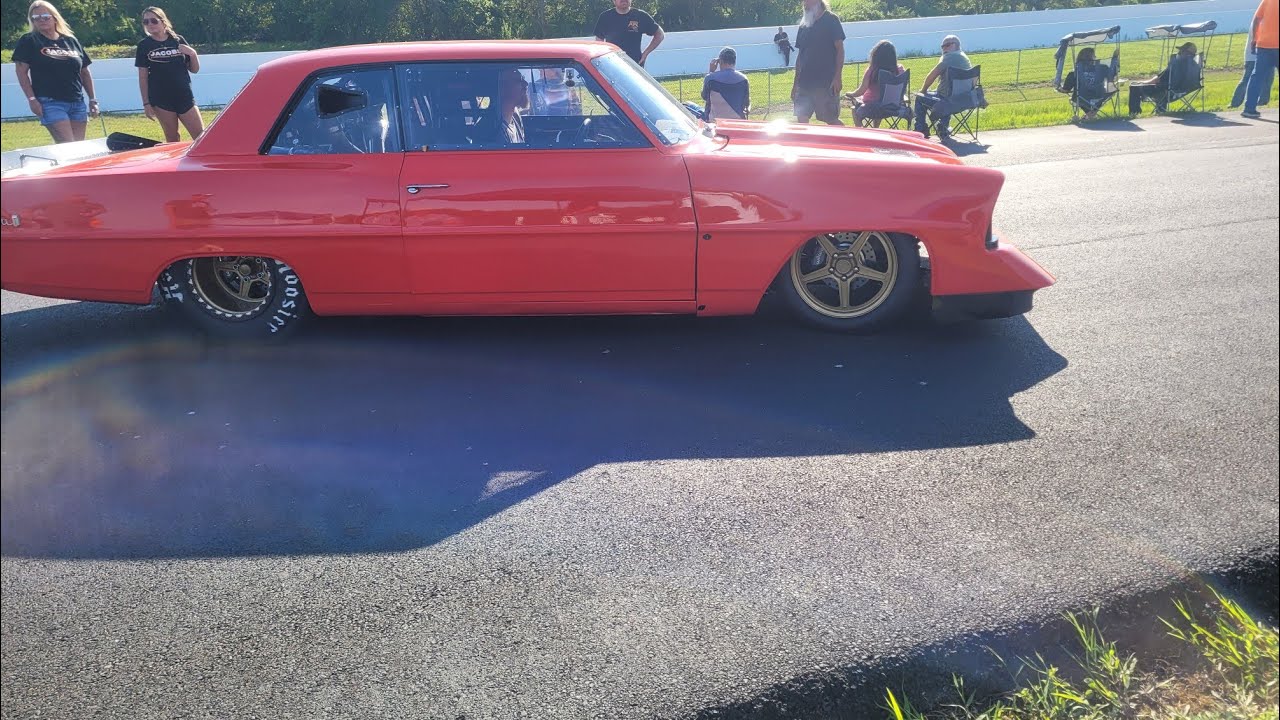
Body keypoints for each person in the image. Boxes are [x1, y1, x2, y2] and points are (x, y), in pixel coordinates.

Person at [12, 1, 98, 144]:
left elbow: (85, 72)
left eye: (45, 16)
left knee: (79, 148)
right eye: (36, 18)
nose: (41, 20)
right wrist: (32, 99)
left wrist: (92, 99)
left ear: (55, 17)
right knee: (67, 145)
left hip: (77, 101)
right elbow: (21, 72)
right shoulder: (29, 40)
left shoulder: (71, 41)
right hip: (50, 102)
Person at [135, 6, 203, 142]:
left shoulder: (177, 40)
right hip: (161, 99)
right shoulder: (144, 45)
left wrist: (193, 54)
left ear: (163, 21)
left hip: (184, 96)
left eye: (154, 20)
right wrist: (146, 104)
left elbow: (194, 69)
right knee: (172, 138)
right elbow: (143, 77)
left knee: (201, 137)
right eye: (146, 22)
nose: (150, 24)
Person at [792, 0, 845, 126]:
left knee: (831, 120)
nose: (804, 4)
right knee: (802, 119)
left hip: (825, 83)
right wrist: (795, 84)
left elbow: (840, 49)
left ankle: (848, 138)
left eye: (807, 1)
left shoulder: (831, 20)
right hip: (804, 83)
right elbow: (800, 56)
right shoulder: (803, 25)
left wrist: (837, 77)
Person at [914, 34, 971, 139]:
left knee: (920, 97)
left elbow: (932, 76)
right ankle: (943, 127)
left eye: (947, 45)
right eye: (942, 46)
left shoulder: (949, 57)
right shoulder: (965, 57)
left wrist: (923, 90)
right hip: (965, 100)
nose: (944, 48)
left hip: (948, 100)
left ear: (956, 45)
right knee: (945, 95)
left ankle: (920, 129)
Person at [1128, 41, 1196, 116]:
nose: (1179, 53)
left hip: (1167, 89)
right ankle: (1160, 110)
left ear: (1188, 53)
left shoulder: (1177, 64)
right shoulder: (1192, 66)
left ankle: (1134, 113)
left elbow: (1159, 78)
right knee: (1139, 85)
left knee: (1134, 86)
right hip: (1177, 89)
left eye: (1181, 51)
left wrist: (1144, 83)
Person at [848, 39, 905, 127]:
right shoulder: (900, 70)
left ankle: (863, 132)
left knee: (854, 109)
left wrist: (850, 94)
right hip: (893, 107)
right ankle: (876, 129)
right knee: (880, 103)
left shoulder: (872, 70)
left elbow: (861, 91)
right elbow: (902, 90)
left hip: (872, 107)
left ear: (876, 55)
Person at [593, 0, 664, 67]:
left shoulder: (640, 16)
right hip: (612, 65)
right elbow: (599, 41)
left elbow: (660, 34)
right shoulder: (605, 17)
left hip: (635, 65)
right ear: (614, 1)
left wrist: (645, 53)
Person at [1242, 0, 1278, 119]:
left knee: (1257, 77)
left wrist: (1254, 39)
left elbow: (1257, 19)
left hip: (1263, 44)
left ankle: (1249, 108)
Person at [701, 47, 751, 121]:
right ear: (734, 61)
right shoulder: (744, 79)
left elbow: (704, 96)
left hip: (715, 121)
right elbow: (746, 103)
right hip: (737, 121)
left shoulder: (710, 78)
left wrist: (711, 72)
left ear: (720, 61)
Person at [1231, 23, 1274, 108]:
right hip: (1255, 56)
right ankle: (1237, 103)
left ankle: (1261, 102)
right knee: (1248, 80)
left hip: (1259, 56)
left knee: (1267, 79)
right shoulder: (1261, 22)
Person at [1060, 46, 1103, 120]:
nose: (1096, 57)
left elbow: (1066, 90)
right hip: (1099, 97)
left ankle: (1089, 115)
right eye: (1094, 56)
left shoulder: (1074, 74)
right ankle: (1091, 114)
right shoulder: (1101, 70)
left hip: (1081, 98)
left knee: (1077, 97)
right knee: (1089, 97)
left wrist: (1059, 88)